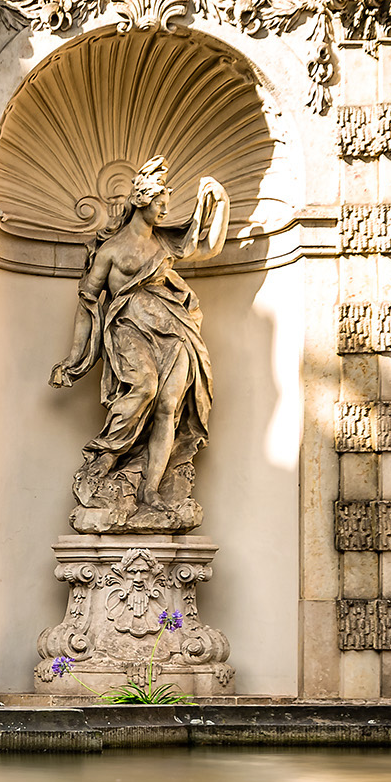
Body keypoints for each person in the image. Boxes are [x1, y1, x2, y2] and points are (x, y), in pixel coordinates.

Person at [50, 156, 228, 520]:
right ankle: (104, 458)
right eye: (161, 202)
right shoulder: (111, 250)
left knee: (168, 407)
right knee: (144, 388)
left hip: (175, 330)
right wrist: (74, 357)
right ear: (142, 200)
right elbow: (87, 302)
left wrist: (221, 204)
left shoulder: (164, 243)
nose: (165, 210)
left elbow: (208, 248)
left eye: (166, 203)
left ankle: (150, 489)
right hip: (129, 328)